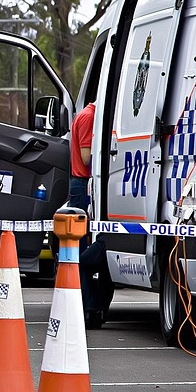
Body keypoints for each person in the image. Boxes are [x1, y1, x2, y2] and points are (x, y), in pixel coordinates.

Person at [70, 101, 114, 327]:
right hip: (83, 184)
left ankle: (93, 307)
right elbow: (87, 158)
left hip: (85, 184)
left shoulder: (88, 115)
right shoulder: (89, 117)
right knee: (82, 255)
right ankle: (88, 307)